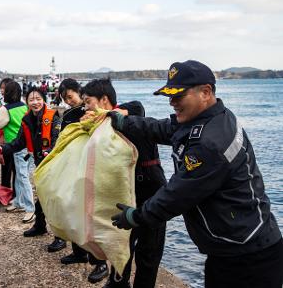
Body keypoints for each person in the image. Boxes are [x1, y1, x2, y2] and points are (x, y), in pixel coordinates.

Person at [109, 60, 283, 288]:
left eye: (178, 96)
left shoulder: (210, 143)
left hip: (247, 254)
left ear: (206, 92)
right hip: (232, 246)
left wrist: (136, 216)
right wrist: (124, 121)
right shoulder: (208, 118)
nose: (172, 102)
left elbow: (177, 195)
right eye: (169, 96)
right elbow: (161, 128)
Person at [79, 78, 166, 287]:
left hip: (151, 191)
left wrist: (108, 116)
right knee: (121, 243)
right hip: (122, 194)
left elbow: (138, 107)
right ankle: (117, 282)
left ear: (104, 100)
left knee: (149, 251)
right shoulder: (96, 128)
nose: (85, 107)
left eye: (88, 101)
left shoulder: (129, 114)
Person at [0, 87, 61, 226]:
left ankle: (58, 236)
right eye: (31, 99)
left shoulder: (53, 117)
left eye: (38, 99)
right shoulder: (26, 119)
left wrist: (49, 151)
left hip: (52, 162)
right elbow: (19, 142)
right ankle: (39, 225)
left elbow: (58, 138)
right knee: (41, 192)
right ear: (26, 101)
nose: (35, 102)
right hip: (38, 161)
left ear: (44, 100)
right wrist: (1, 148)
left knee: (52, 197)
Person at [0, 82, 32, 218]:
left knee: (22, 176)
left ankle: (29, 208)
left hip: (15, 146)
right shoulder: (24, 106)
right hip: (27, 144)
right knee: (19, 174)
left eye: (3, 90)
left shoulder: (6, 109)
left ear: (7, 93)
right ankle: (18, 202)